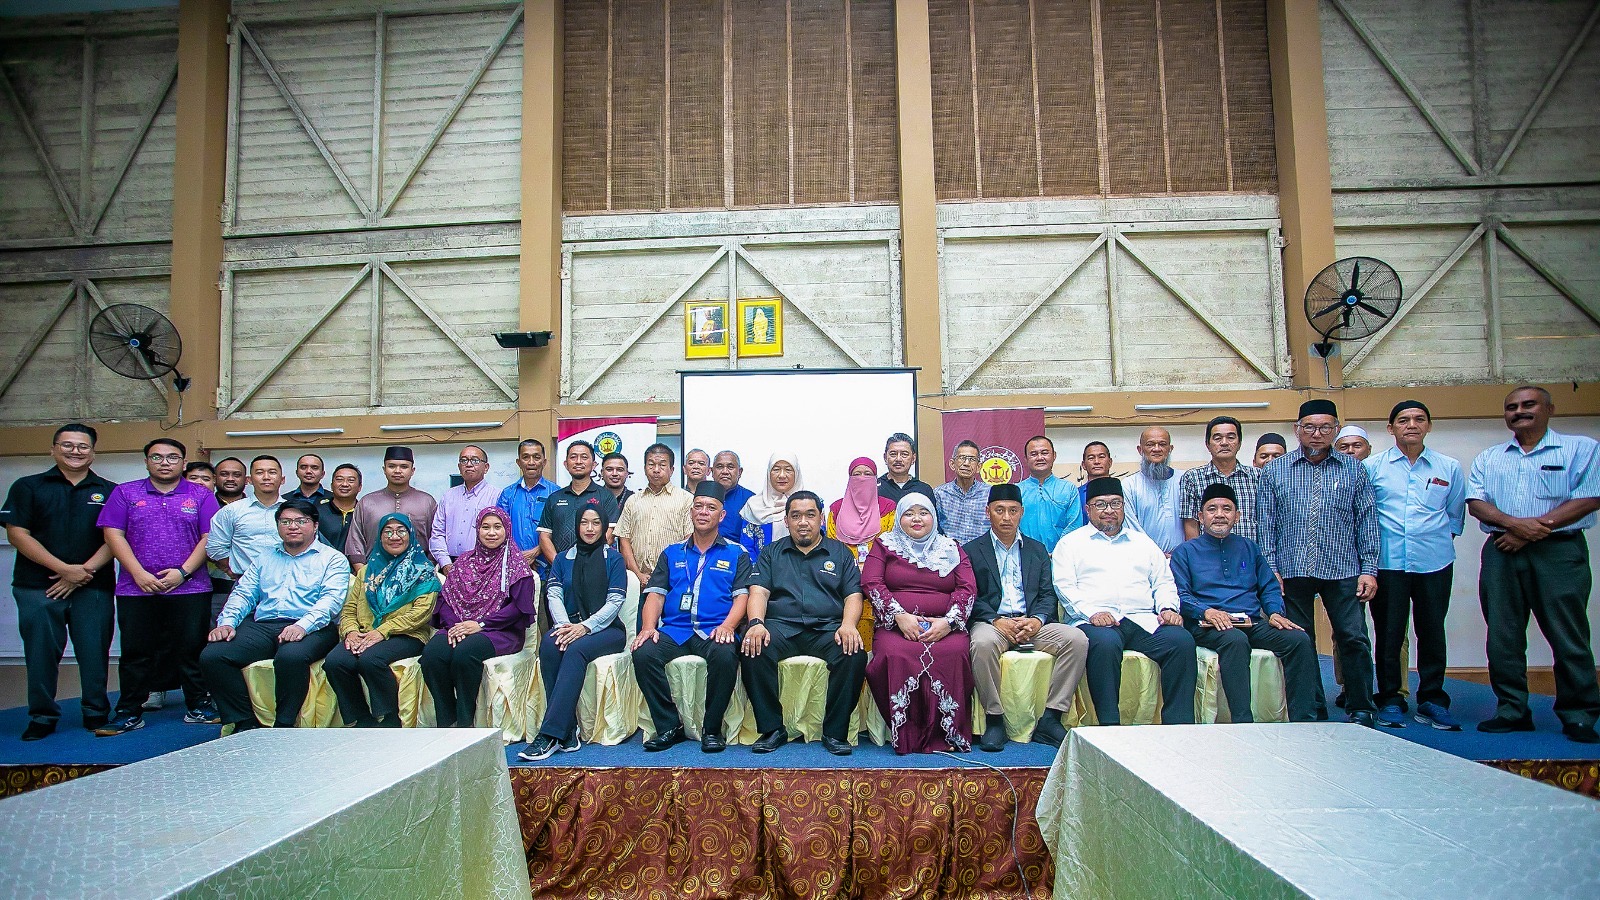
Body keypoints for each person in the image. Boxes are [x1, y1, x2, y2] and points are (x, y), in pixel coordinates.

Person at [1467, 386, 1600, 744]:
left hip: (1559, 552)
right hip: (1502, 551)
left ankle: (1580, 714)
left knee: (1568, 634)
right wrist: (1515, 526)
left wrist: (1529, 531)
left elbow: (1590, 497)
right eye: (1512, 407)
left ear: (1550, 408)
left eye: (1529, 404)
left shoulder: (1581, 449)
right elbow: (1476, 502)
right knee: (1503, 636)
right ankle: (1512, 709)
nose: (1519, 411)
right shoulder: (1490, 457)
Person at [1258, 399, 1380, 726]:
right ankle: (1312, 707)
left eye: (1325, 427)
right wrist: (1270, 570)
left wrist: (1369, 568)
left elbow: (1366, 521)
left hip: (1343, 569)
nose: (1316, 434)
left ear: (1335, 430)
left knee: (1353, 637)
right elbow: (1265, 523)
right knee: (1301, 641)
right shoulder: (1276, 470)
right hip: (1292, 568)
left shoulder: (1354, 469)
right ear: (1297, 430)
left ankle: (1362, 706)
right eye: (1309, 427)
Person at [93, 438, 219, 736]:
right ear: (146, 461)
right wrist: (137, 573)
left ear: (183, 463)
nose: (165, 463)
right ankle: (128, 712)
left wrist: (183, 573)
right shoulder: (126, 493)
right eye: (157, 457)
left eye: (172, 457)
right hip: (137, 588)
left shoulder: (200, 495)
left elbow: (210, 537)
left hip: (190, 588)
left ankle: (198, 705)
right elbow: (114, 534)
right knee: (137, 652)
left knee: (192, 649)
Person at [2, 423, 117, 740]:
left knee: (95, 652)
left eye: (83, 446)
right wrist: (64, 570)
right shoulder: (28, 487)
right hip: (37, 587)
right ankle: (42, 715)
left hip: (92, 587)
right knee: (40, 654)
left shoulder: (110, 491)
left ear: (93, 452)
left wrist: (82, 573)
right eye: (67, 445)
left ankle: (96, 712)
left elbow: (115, 538)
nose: (75, 451)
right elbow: (17, 534)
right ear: (53, 449)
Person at [1171, 483, 1319, 723]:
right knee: (1234, 640)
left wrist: (1273, 612)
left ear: (1237, 516)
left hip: (1251, 620)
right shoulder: (1185, 552)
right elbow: (1180, 594)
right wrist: (1206, 611)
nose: (1219, 514)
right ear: (1200, 516)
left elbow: (1269, 585)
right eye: (1212, 509)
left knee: (1298, 640)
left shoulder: (1249, 548)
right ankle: (1243, 721)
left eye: (1227, 509)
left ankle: (1304, 720)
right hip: (1207, 624)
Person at [1054, 477, 1197, 725]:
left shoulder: (1142, 542)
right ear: (1088, 510)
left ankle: (1178, 724)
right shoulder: (1071, 544)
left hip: (1142, 619)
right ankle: (1110, 726)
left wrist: (1167, 607)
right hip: (1095, 622)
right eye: (1101, 505)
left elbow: (1163, 580)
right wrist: (1092, 613)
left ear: (1123, 508)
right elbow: (1064, 586)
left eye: (1115, 504)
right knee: (1106, 644)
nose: (1109, 511)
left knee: (1180, 641)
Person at [199, 499, 349, 731]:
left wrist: (302, 626)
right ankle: (244, 723)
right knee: (214, 656)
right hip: (264, 624)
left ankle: (283, 724)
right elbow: (244, 593)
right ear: (278, 526)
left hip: (314, 626)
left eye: (301, 521)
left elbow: (330, 601)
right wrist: (227, 623)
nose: (293, 526)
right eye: (286, 521)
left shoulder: (332, 558)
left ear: (315, 525)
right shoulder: (264, 557)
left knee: (290, 657)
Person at [741, 491, 868, 756]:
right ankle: (772, 728)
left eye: (810, 515)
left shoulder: (840, 552)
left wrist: (848, 625)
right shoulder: (771, 552)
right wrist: (755, 622)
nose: (803, 522)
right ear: (786, 521)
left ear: (821, 518)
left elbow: (853, 595)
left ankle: (835, 732)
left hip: (827, 629)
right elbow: (759, 592)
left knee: (853, 653)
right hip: (781, 626)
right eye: (795, 515)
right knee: (753, 646)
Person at [965, 483, 1087, 751]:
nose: (1006, 517)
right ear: (988, 512)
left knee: (1076, 639)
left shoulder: (1037, 549)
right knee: (981, 644)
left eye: (1012, 510)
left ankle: (1052, 717)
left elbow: (1048, 594)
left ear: (1021, 512)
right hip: (993, 623)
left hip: (1031, 622)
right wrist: (996, 620)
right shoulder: (972, 550)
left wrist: (1038, 620)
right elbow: (969, 596)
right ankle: (995, 718)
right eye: (999, 510)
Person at [632, 482, 753, 752]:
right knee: (643, 652)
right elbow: (656, 594)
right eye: (698, 506)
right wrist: (649, 628)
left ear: (721, 516)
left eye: (711, 508)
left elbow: (742, 597)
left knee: (724, 655)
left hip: (715, 630)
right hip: (676, 629)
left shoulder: (737, 553)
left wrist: (728, 626)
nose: (703, 512)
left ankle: (711, 729)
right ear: (691, 511)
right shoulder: (672, 552)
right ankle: (668, 726)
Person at [1366, 400, 1465, 730]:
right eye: (1404, 420)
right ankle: (1391, 698)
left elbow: (1454, 516)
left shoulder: (1447, 467)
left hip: (1434, 563)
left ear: (1429, 426)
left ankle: (1433, 699)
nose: (1412, 425)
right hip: (1389, 563)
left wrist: (1433, 540)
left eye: (1419, 419)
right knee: (1390, 635)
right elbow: (1365, 516)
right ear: (1390, 428)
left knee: (1433, 632)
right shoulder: (1373, 468)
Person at [863, 493, 977, 754]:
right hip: (896, 625)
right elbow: (871, 582)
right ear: (898, 518)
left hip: (945, 626)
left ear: (934, 517)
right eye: (909, 513)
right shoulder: (884, 545)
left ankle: (947, 734)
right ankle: (906, 735)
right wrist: (899, 615)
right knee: (894, 654)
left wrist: (948, 622)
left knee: (953, 652)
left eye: (923, 512)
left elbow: (967, 588)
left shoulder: (951, 547)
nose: (916, 519)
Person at [521, 502, 628, 761]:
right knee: (549, 643)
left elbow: (615, 603)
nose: (589, 528)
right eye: (584, 522)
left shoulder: (613, 558)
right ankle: (567, 731)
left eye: (595, 523)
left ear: (603, 526)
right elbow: (554, 594)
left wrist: (584, 627)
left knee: (575, 650)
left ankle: (550, 734)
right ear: (576, 525)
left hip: (607, 630)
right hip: (569, 625)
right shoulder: (562, 558)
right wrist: (564, 626)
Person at [421, 507, 538, 728]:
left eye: (497, 527)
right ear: (477, 530)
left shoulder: (516, 565)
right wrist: (459, 626)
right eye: (485, 527)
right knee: (432, 654)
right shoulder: (464, 562)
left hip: (501, 632)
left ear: (507, 530)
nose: (491, 533)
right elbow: (446, 599)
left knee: (466, 653)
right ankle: (447, 718)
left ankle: (466, 720)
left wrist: (480, 624)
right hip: (461, 626)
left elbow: (517, 609)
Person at [322, 513, 440, 728]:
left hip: (407, 634)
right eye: (388, 531)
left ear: (411, 535)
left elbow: (420, 613)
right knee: (335, 661)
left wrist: (382, 631)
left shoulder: (423, 571)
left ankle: (390, 717)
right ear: (379, 536)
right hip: (365, 632)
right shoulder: (367, 572)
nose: (394, 536)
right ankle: (362, 719)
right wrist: (350, 632)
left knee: (370, 659)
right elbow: (349, 609)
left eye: (401, 531)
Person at [207, 455, 288, 608]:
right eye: (259, 472)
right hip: (244, 586)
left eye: (272, 472)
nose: (266, 477)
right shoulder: (231, 511)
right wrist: (231, 568)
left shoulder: (295, 511)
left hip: (289, 586)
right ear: (249, 480)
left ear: (282, 479)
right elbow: (215, 548)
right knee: (238, 628)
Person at [345, 447, 437, 567]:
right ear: (384, 469)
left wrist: (425, 571)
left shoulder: (427, 502)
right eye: (392, 466)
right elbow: (355, 541)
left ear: (412, 470)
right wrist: (364, 574)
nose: (397, 471)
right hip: (374, 571)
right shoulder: (367, 502)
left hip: (418, 572)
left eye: (404, 467)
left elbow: (436, 539)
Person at [616, 443, 692, 584]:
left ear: (672, 469)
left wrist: (675, 573)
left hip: (674, 579)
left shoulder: (686, 499)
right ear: (645, 468)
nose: (656, 470)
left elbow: (689, 540)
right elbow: (624, 540)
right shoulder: (633, 500)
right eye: (651, 465)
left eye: (662, 465)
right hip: (638, 580)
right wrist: (637, 574)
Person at [1179, 416, 1263, 543]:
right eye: (1218, 438)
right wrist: (1197, 558)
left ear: (1239, 443)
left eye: (1231, 437)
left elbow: (1266, 520)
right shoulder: (1192, 478)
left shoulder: (1257, 476)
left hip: (1248, 556)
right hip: (1208, 557)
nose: (1224, 443)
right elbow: (1191, 524)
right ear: (1208, 444)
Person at [537, 441, 619, 565]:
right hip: (560, 572)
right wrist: (561, 566)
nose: (578, 461)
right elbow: (544, 536)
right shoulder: (554, 498)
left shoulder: (606, 496)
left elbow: (611, 532)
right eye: (573, 457)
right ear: (566, 464)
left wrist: (589, 562)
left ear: (594, 464)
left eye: (584, 457)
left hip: (596, 567)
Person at [430, 445, 501, 573]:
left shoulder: (497, 496)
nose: (468, 464)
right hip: (449, 565)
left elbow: (500, 535)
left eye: (475, 460)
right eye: (464, 460)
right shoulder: (448, 496)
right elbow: (437, 533)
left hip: (483, 566)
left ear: (486, 467)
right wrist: (445, 564)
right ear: (459, 467)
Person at [498, 438, 559, 571]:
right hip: (513, 567)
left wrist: (536, 552)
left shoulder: (556, 493)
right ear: (518, 462)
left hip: (547, 567)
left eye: (536, 457)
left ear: (544, 462)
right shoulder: (507, 494)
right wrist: (518, 557)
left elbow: (561, 529)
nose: (531, 462)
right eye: (526, 457)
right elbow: (500, 529)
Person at [1124, 426, 1184, 554]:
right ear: (1140, 450)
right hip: (1144, 559)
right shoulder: (1129, 485)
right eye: (1150, 444)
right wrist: (1156, 556)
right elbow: (1131, 528)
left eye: (1162, 444)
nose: (1156, 449)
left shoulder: (1184, 480)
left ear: (1170, 449)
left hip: (1181, 561)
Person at [1019, 435, 1084, 551]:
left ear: (1054, 456)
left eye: (1044, 453)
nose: (1039, 458)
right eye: (1033, 454)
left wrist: (1058, 552)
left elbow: (1074, 525)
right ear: (1026, 459)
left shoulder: (1069, 489)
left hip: (1062, 557)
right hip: (1025, 558)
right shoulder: (1017, 491)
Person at [827, 457, 897, 563]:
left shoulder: (888, 508)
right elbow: (832, 546)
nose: (862, 478)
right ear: (850, 478)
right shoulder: (836, 509)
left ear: (875, 478)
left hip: (880, 568)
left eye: (868, 474)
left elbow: (891, 544)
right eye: (856, 474)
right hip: (845, 569)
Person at [739, 451, 803, 557]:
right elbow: (747, 547)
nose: (782, 475)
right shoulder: (754, 505)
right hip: (762, 569)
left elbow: (818, 541)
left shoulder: (810, 505)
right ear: (769, 473)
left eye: (788, 469)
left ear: (796, 473)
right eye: (776, 469)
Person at [935, 440, 990, 543]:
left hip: (981, 555)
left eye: (972, 459)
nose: (966, 464)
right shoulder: (939, 494)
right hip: (949, 554)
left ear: (978, 467)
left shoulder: (990, 493)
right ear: (952, 464)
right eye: (962, 458)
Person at [877, 433, 936, 508]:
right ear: (885, 458)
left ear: (913, 458)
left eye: (904, 454)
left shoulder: (924, 490)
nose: (898, 459)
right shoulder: (875, 488)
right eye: (893, 454)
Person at [710, 451, 756, 544]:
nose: (725, 472)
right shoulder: (702, 498)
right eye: (720, 467)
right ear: (712, 471)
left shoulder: (751, 501)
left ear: (740, 472)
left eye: (730, 467)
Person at [316, 464, 361, 553]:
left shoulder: (365, 513)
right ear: (332, 486)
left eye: (351, 480)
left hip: (358, 566)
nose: (345, 484)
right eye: (339, 480)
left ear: (360, 487)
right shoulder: (317, 512)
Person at [1078, 441, 1113, 509]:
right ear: (1083, 465)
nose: (1097, 462)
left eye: (1101, 457)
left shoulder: (1123, 491)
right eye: (1091, 458)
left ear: (1110, 462)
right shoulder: (1076, 495)